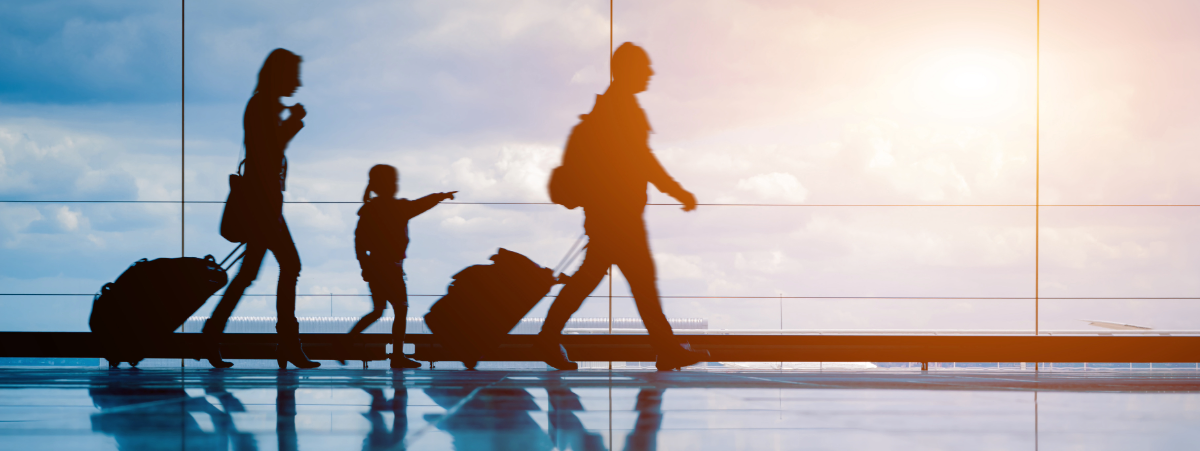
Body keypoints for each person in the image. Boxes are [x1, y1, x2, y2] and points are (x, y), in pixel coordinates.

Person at [539, 42, 709, 371]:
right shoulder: (622, 110)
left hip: (609, 214)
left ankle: (548, 338)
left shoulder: (612, 108)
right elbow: (643, 161)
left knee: (593, 280)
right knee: (639, 282)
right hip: (619, 217)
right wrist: (677, 191)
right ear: (627, 71)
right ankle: (666, 348)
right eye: (644, 68)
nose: (650, 73)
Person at [202, 48, 318, 369]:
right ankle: (288, 345)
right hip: (263, 206)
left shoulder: (262, 105)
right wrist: (294, 122)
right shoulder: (262, 107)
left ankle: (212, 335)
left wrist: (290, 121)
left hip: (263, 205)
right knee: (289, 266)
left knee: (248, 274)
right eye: (293, 75)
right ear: (279, 75)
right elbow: (268, 152)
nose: (297, 83)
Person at [349, 164, 456, 369]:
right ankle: (396, 355)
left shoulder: (370, 209)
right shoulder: (397, 208)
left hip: (375, 266)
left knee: (379, 310)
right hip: (391, 269)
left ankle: (346, 342)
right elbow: (421, 204)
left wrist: (365, 267)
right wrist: (441, 196)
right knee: (400, 309)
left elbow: (359, 242)